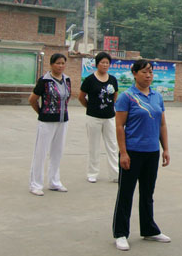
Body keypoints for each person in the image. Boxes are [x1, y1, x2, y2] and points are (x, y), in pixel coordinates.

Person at [112, 60, 171, 251]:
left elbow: (162, 124)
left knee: (147, 193)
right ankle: (121, 233)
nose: (148, 75)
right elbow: (119, 126)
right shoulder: (127, 97)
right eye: (145, 72)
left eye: (151, 72)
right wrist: (123, 153)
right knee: (126, 194)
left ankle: (149, 229)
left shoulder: (157, 97)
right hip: (132, 152)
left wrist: (166, 149)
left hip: (152, 152)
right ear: (135, 73)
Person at [28, 52, 71, 196]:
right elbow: (32, 99)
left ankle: (54, 182)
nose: (60, 66)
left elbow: (66, 99)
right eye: (57, 63)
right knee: (41, 153)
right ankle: (36, 184)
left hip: (62, 121)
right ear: (51, 64)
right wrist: (41, 112)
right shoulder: (44, 81)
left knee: (57, 152)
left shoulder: (67, 80)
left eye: (63, 63)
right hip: (46, 121)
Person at [78, 52, 119, 183]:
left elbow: (115, 95)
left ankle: (115, 174)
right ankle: (92, 173)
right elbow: (81, 97)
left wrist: (110, 107)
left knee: (112, 145)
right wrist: (90, 107)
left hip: (109, 117)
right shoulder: (90, 80)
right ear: (97, 64)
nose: (105, 65)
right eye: (102, 62)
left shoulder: (112, 79)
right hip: (93, 117)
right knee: (94, 146)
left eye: (107, 63)